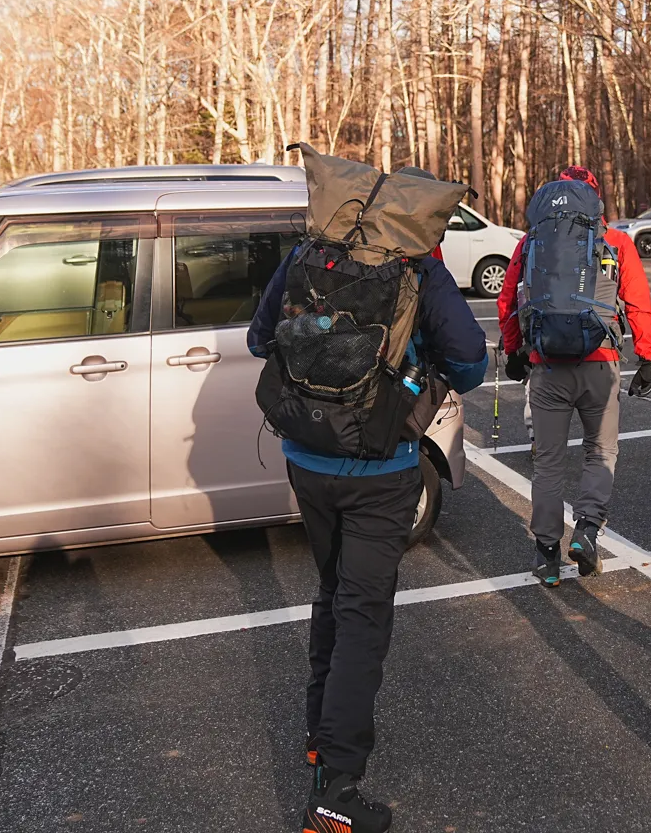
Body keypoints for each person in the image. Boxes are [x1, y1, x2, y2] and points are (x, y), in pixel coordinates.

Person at [248, 166, 488, 833]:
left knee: (332, 593)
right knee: (363, 616)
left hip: (305, 459)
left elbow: (257, 338)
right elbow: (470, 360)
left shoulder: (306, 255)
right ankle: (337, 793)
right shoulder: (419, 270)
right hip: (382, 469)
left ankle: (320, 738)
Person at [496, 165, 651, 586]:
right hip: (600, 364)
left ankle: (546, 554)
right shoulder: (616, 241)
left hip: (547, 366)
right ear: (596, 200)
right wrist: (647, 359)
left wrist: (514, 351)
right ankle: (587, 530)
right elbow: (637, 302)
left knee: (548, 463)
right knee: (599, 453)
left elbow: (509, 300)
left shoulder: (531, 242)